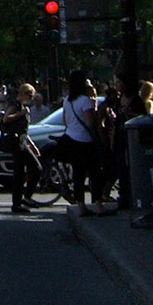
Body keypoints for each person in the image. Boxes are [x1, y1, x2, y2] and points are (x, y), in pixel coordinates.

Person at [56, 71, 108, 214]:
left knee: (78, 174)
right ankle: (98, 205)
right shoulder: (85, 100)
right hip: (86, 140)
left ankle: (81, 206)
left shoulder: (67, 100)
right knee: (94, 173)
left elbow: (65, 121)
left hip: (71, 138)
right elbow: (90, 121)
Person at [0, 83, 40, 214]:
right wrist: (21, 113)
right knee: (33, 168)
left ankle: (19, 202)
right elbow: (6, 119)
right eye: (30, 95)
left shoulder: (22, 106)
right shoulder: (16, 105)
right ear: (23, 93)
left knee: (21, 173)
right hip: (16, 143)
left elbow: (23, 129)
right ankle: (23, 199)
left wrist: (32, 145)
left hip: (21, 141)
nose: (31, 99)